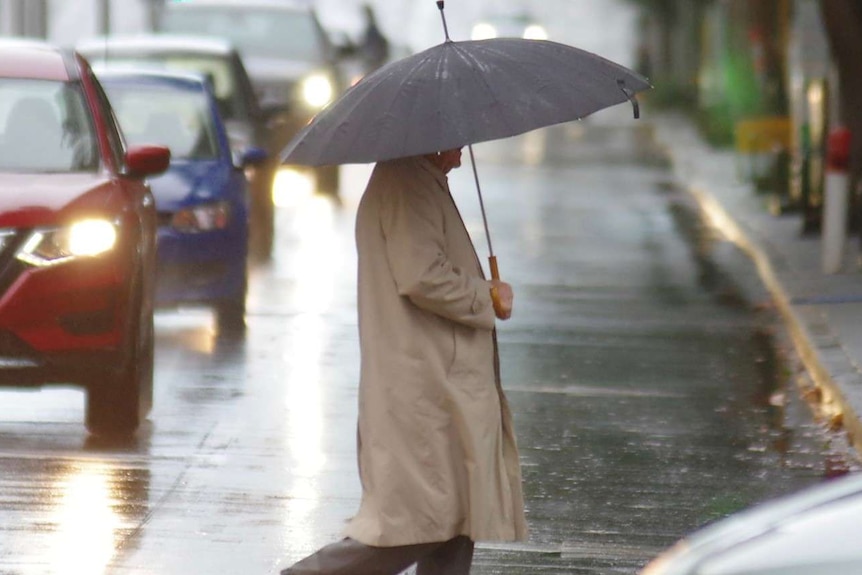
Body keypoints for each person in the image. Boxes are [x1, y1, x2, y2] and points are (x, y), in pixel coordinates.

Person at [280, 148, 528, 574]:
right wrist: (483, 294)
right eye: (455, 142)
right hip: (425, 387)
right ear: (432, 135)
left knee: (454, 522)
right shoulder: (406, 183)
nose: (460, 157)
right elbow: (421, 274)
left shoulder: (419, 179)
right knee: (411, 527)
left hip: (442, 385)